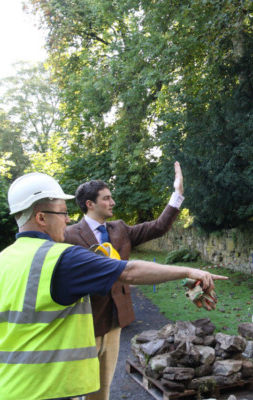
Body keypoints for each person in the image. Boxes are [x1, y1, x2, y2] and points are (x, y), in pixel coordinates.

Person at [0, 172, 226, 400]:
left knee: (103, 390)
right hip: (47, 388)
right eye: (62, 213)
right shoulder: (62, 254)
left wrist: (5, 349)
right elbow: (131, 272)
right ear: (41, 218)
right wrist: (191, 271)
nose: (66, 219)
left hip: (3, 386)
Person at [63, 161, 185, 400]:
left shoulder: (119, 229)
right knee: (76, 390)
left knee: (102, 389)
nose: (113, 202)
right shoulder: (67, 235)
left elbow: (158, 227)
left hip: (114, 323)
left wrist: (177, 195)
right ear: (90, 204)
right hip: (83, 325)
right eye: (107, 198)